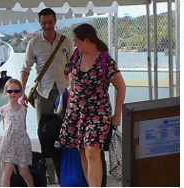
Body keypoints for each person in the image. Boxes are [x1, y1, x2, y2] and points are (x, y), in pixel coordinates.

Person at [58, 23, 126, 187]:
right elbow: (73, 81)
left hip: (98, 111)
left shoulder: (106, 61)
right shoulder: (77, 56)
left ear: (87, 40)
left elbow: (121, 87)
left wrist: (117, 115)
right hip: (76, 110)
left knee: (92, 151)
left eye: (77, 41)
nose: (75, 44)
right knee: (82, 150)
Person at [18, 8, 73, 182]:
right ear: (40, 23)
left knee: (66, 131)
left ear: (55, 21)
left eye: (50, 22)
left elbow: (73, 66)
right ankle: (50, 174)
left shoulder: (66, 42)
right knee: (44, 133)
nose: (47, 26)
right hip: (43, 93)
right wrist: (21, 92)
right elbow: (25, 69)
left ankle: (65, 169)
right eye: (44, 23)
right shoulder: (34, 43)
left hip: (65, 92)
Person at [0, 79, 35, 187]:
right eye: (10, 91)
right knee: (7, 170)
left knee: (24, 171)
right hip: (9, 142)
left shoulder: (24, 109)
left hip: (21, 142)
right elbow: (5, 127)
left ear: (20, 93)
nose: (13, 94)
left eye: (16, 91)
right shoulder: (3, 109)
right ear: (5, 92)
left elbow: (24, 126)